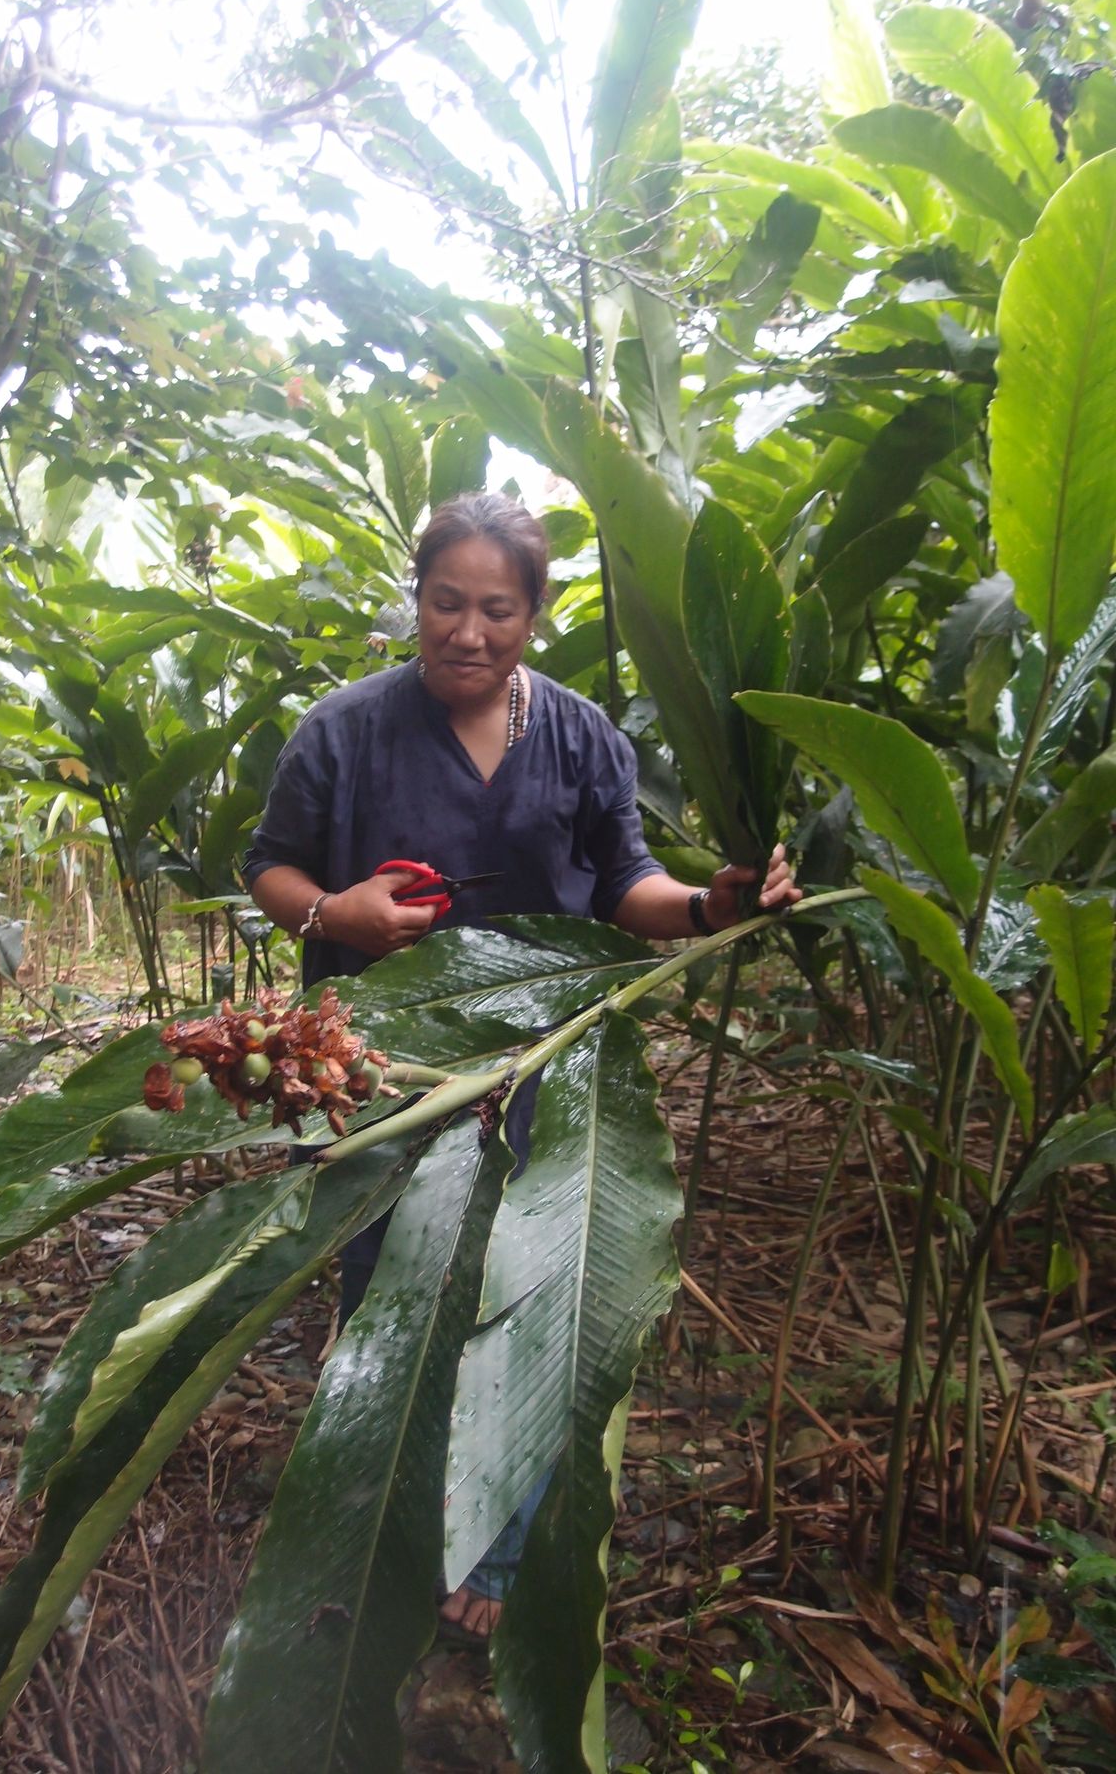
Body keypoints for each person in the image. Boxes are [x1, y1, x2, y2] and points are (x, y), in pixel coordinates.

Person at [243, 492, 800, 1640]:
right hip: (386, 1072)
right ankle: (385, 1516)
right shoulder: (343, 731)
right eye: (446, 603)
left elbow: (625, 887)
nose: (468, 632)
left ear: (535, 615)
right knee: (394, 1297)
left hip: (549, 1066)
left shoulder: (584, 735)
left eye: (497, 609)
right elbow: (272, 869)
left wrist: (706, 905)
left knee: (535, 1297)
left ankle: (492, 1555)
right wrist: (332, 912)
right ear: (418, 600)